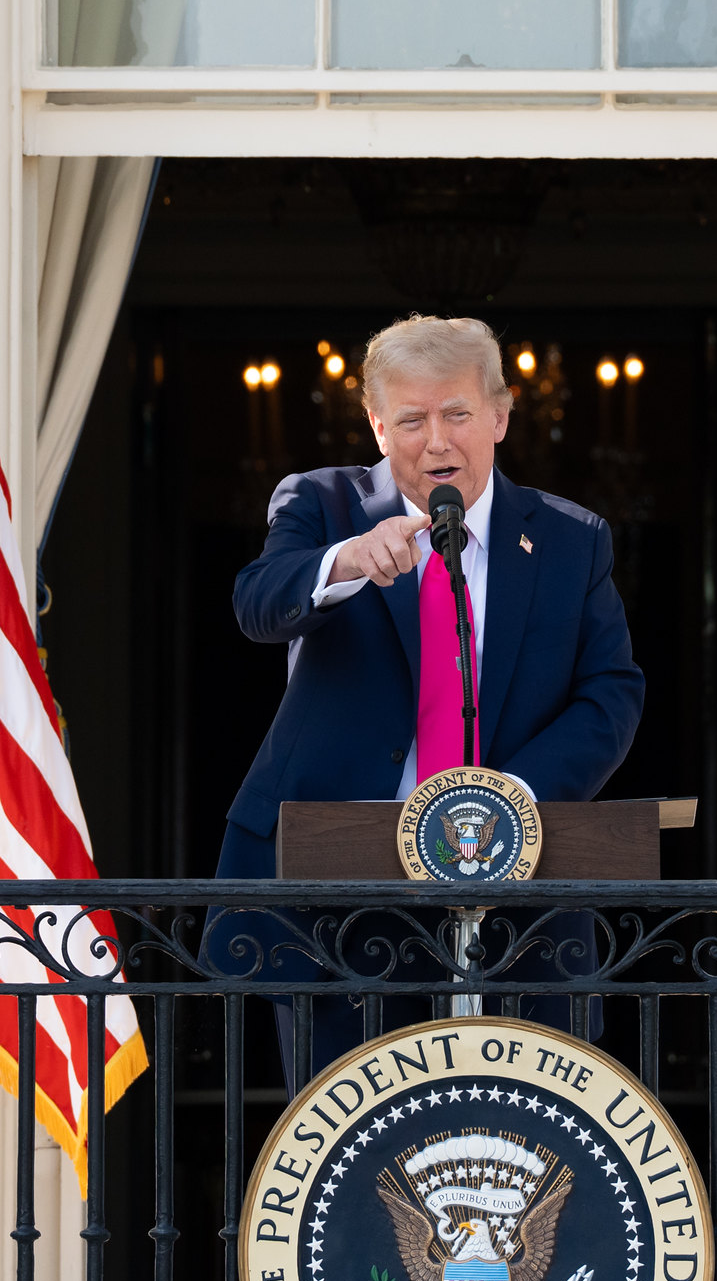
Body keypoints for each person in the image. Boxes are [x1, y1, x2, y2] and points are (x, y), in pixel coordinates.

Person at [211, 314, 645, 1080]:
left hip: (521, 899)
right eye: (411, 420)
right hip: (340, 899)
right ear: (378, 426)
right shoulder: (322, 502)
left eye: (457, 414)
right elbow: (259, 601)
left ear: (501, 415)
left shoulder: (572, 539)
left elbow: (610, 692)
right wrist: (344, 561)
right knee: (351, 1139)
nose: (437, 441)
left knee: (514, 1139)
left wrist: (511, 799)